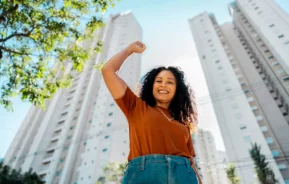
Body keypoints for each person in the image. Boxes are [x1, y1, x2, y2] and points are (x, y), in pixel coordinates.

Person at [101, 41, 202, 184]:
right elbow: (108, 70)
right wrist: (129, 50)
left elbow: (191, 162)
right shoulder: (135, 106)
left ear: (177, 90)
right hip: (144, 174)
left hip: (184, 175)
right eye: (159, 80)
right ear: (151, 85)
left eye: (170, 82)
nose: (163, 85)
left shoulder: (183, 124)